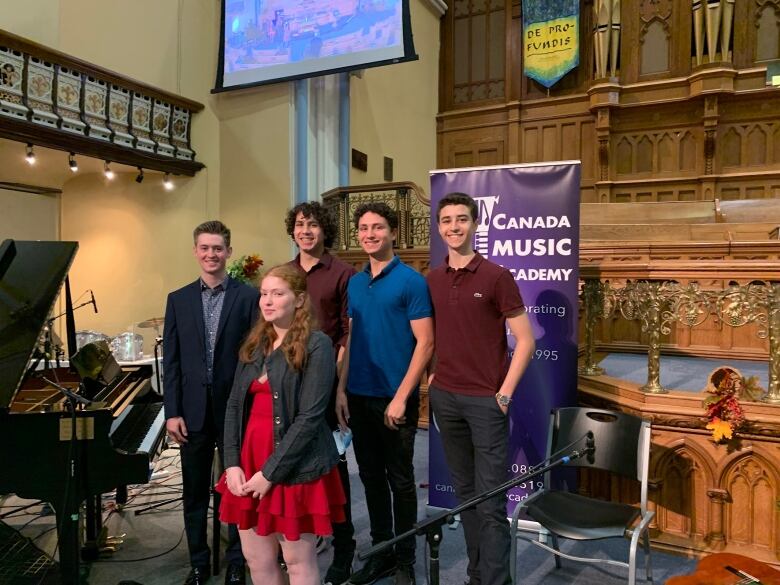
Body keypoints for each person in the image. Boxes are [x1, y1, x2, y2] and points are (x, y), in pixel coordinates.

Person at [426, 193, 535, 585]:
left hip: (486, 402)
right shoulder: (433, 279)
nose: (454, 227)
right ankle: (476, 576)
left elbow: (525, 340)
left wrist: (503, 394)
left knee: (490, 503)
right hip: (446, 400)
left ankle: (495, 581)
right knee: (467, 498)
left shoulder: (496, 276)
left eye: (461, 219)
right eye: (447, 220)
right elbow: (434, 336)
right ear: (439, 228)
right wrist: (433, 377)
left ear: (474, 224)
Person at [216, 264, 346, 585]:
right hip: (249, 460)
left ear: (299, 300)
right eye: (264, 294)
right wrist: (232, 463)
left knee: (296, 560)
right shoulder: (256, 342)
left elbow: (310, 417)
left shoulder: (317, 345)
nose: (267, 301)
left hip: (293, 465)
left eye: (278, 293)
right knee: (257, 560)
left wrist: (270, 474)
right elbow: (234, 405)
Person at [335, 202, 434, 585]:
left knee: (400, 480)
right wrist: (341, 389)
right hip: (358, 394)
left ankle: (405, 558)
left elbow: (425, 344)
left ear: (392, 232)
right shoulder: (356, 283)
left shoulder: (411, 281)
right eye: (363, 228)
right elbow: (353, 336)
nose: (370, 234)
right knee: (371, 479)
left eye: (377, 227)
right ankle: (381, 551)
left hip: (395, 397)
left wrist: (401, 396)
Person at [163, 220, 259, 585]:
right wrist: (172, 412)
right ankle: (199, 562)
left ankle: (237, 559)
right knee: (194, 491)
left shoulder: (248, 297)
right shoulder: (178, 299)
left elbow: (254, 356)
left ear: (228, 252)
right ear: (195, 252)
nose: (211, 254)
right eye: (204, 248)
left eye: (217, 248)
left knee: (236, 489)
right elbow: (170, 363)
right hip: (191, 412)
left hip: (236, 410)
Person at [284, 201, 357, 585]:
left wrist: (339, 387)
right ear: (292, 231)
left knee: (334, 463)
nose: (306, 231)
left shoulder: (342, 273)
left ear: (324, 230)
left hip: (326, 386)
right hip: (289, 383)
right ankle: (304, 541)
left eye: (313, 225)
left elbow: (347, 333)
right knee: (294, 461)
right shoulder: (286, 274)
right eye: (300, 225)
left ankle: (344, 545)